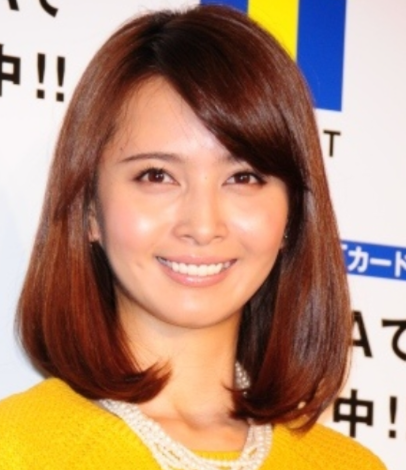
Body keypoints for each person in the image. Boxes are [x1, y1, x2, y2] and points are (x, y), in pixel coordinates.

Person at [0, 4, 386, 469]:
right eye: (157, 175)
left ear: (293, 215)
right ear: (89, 210)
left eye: (244, 177)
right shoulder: (16, 446)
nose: (203, 227)